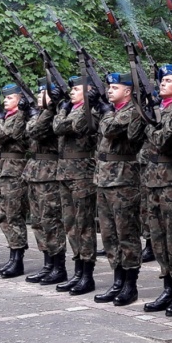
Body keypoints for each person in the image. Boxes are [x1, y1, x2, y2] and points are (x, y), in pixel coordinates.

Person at [134, 64, 172, 316]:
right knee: (157, 239)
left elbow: (163, 140)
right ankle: (167, 288)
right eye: (162, 80)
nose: (162, 84)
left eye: (168, 80)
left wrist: (148, 120)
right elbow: (132, 135)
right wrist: (145, 112)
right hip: (153, 181)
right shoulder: (160, 110)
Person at [93, 73, 145, 306]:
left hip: (123, 180)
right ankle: (117, 281)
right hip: (104, 178)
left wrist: (104, 112)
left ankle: (130, 285)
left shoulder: (132, 111)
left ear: (128, 91)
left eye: (115, 87)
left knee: (126, 234)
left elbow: (110, 130)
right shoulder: (113, 110)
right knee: (109, 234)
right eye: (109, 87)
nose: (109, 90)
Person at [53, 76, 100, 295]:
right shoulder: (72, 108)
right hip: (65, 171)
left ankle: (87, 274)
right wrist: (64, 110)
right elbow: (58, 126)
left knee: (84, 224)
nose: (71, 92)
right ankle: (78, 271)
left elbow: (70, 126)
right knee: (70, 224)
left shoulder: (92, 110)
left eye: (76, 89)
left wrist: (64, 112)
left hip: (82, 172)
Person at [24, 79, 67, 285]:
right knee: (39, 222)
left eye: (44, 93)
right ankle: (48, 264)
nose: (39, 96)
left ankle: (58, 267)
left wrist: (52, 109)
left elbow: (38, 132)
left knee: (51, 221)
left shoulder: (56, 114)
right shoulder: (41, 114)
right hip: (35, 172)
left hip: (49, 173)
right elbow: (30, 131)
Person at [0, 84, 29, 279]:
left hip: (15, 170)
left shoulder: (20, 117)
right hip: (3, 170)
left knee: (14, 215)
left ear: (20, 100)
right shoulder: (8, 117)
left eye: (9, 98)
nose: (5, 101)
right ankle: (12, 256)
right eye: (4, 98)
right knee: (4, 216)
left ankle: (18, 259)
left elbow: (4, 135)